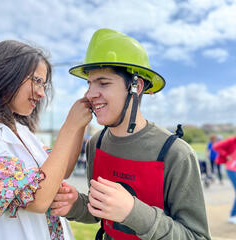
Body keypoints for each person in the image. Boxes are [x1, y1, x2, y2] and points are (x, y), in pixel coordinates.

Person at [50, 29, 211, 240]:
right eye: (89, 84)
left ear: (136, 86)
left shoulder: (176, 154)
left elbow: (196, 237)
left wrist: (133, 212)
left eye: (103, 83)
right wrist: (75, 205)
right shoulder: (96, 144)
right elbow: (101, 212)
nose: (89, 94)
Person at [0, 40, 92, 239]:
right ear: (7, 74)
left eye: (44, 84)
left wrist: (80, 124)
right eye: (36, 81)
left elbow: (61, 169)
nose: (41, 93)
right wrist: (69, 127)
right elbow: (39, 199)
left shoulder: (21, 131)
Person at [214, 137, 236, 224]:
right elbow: (216, 146)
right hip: (231, 169)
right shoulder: (232, 140)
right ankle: (232, 215)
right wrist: (226, 155)